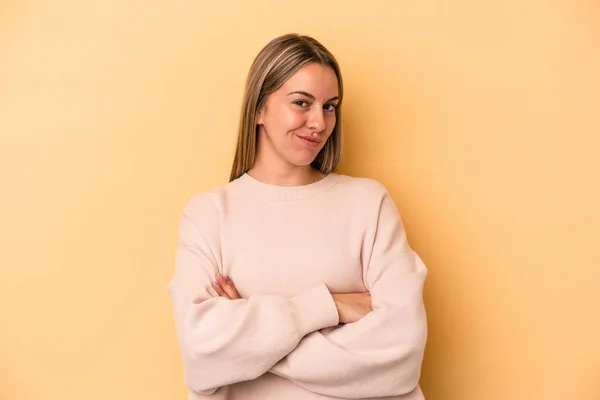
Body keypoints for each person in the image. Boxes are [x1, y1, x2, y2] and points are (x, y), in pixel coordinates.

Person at [166, 33, 428, 400]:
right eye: (302, 103)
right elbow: (201, 352)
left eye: (330, 106)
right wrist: (330, 307)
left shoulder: (368, 203)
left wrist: (247, 344)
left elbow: (402, 351)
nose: (319, 123)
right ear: (259, 108)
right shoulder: (208, 215)